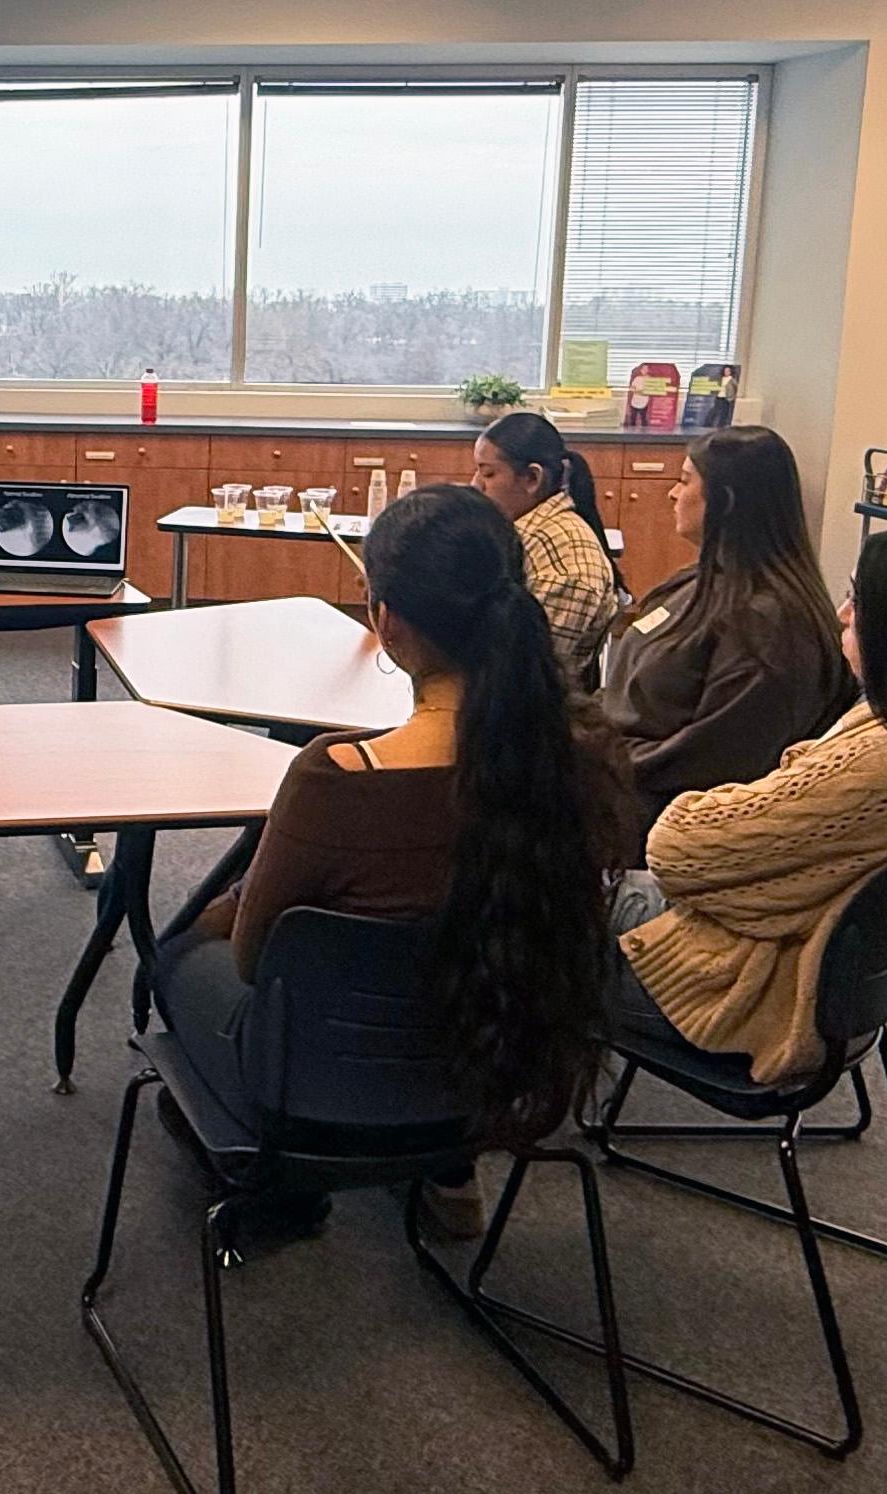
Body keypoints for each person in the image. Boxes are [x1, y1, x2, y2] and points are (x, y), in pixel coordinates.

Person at [159, 487, 628, 1242]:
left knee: (177, 954)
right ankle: (447, 1169)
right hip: (494, 1067)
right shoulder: (577, 759)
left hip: (322, 1085)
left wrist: (231, 905)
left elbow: (251, 958)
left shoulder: (337, 775)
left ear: (386, 621)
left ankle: (286, 1182)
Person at [609, 522, 887, 1083]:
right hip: (768, 951)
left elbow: (678, 852)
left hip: (735, 984)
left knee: (492, 906)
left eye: (857, 599)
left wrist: (735, 816)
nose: (842, 614)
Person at [602, 426, 856, 836]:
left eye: (684, 481)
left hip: (662, 812)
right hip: (619, 773)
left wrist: (592, 763)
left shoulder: (769, 622)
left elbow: (713, 757)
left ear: (727, 501)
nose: (672, 493)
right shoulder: (698, 582)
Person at [472, 411, 622, 686]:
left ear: (532, 478)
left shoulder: (567, 563)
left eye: (488, 474)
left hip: (532, 718)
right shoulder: (523, 533)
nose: (475, 485)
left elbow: (523, 674)